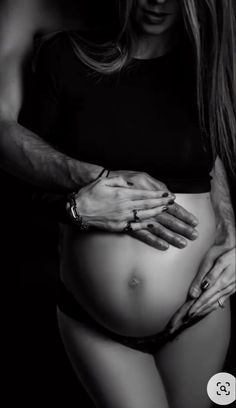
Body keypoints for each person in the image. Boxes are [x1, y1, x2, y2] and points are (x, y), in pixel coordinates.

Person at [24, 1, 236, 407]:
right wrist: (73, 207)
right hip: (94, 320)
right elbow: (26, 182)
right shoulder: (64, 57)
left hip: (200, 310)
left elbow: (220, 170)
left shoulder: (209, 69)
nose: (157, 1)